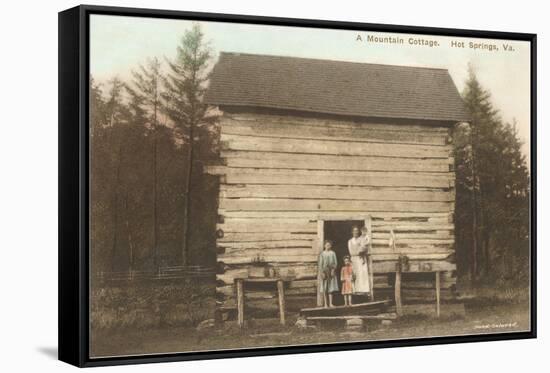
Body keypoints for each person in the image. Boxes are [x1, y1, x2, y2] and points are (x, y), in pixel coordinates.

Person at [348, 226, 371, 295]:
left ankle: (363, 290)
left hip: (361, 258)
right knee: (355, 274)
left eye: (357, 231)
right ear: (352, 232)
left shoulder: (361, 239)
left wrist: (363, 251)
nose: (356, 232)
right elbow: (351, 252)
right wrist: (358, 252)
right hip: (354, 259)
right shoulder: (350, 241)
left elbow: (365, 247)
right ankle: (355, 290)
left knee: (362, 274)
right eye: (354, 231)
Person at [318, 240, 339, 308]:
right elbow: (320, 265)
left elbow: (335, 263)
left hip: (331, 271)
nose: (328, 246)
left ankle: (330, 303)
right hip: (325, 271)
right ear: (324, 245)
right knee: (325, 288)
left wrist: (333, 270)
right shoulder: (322, 254)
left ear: (331, 246)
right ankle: (325, 304)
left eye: (329, 245)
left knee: (330, 288)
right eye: (326, 245)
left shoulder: (333, 253)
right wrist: (322, 273)